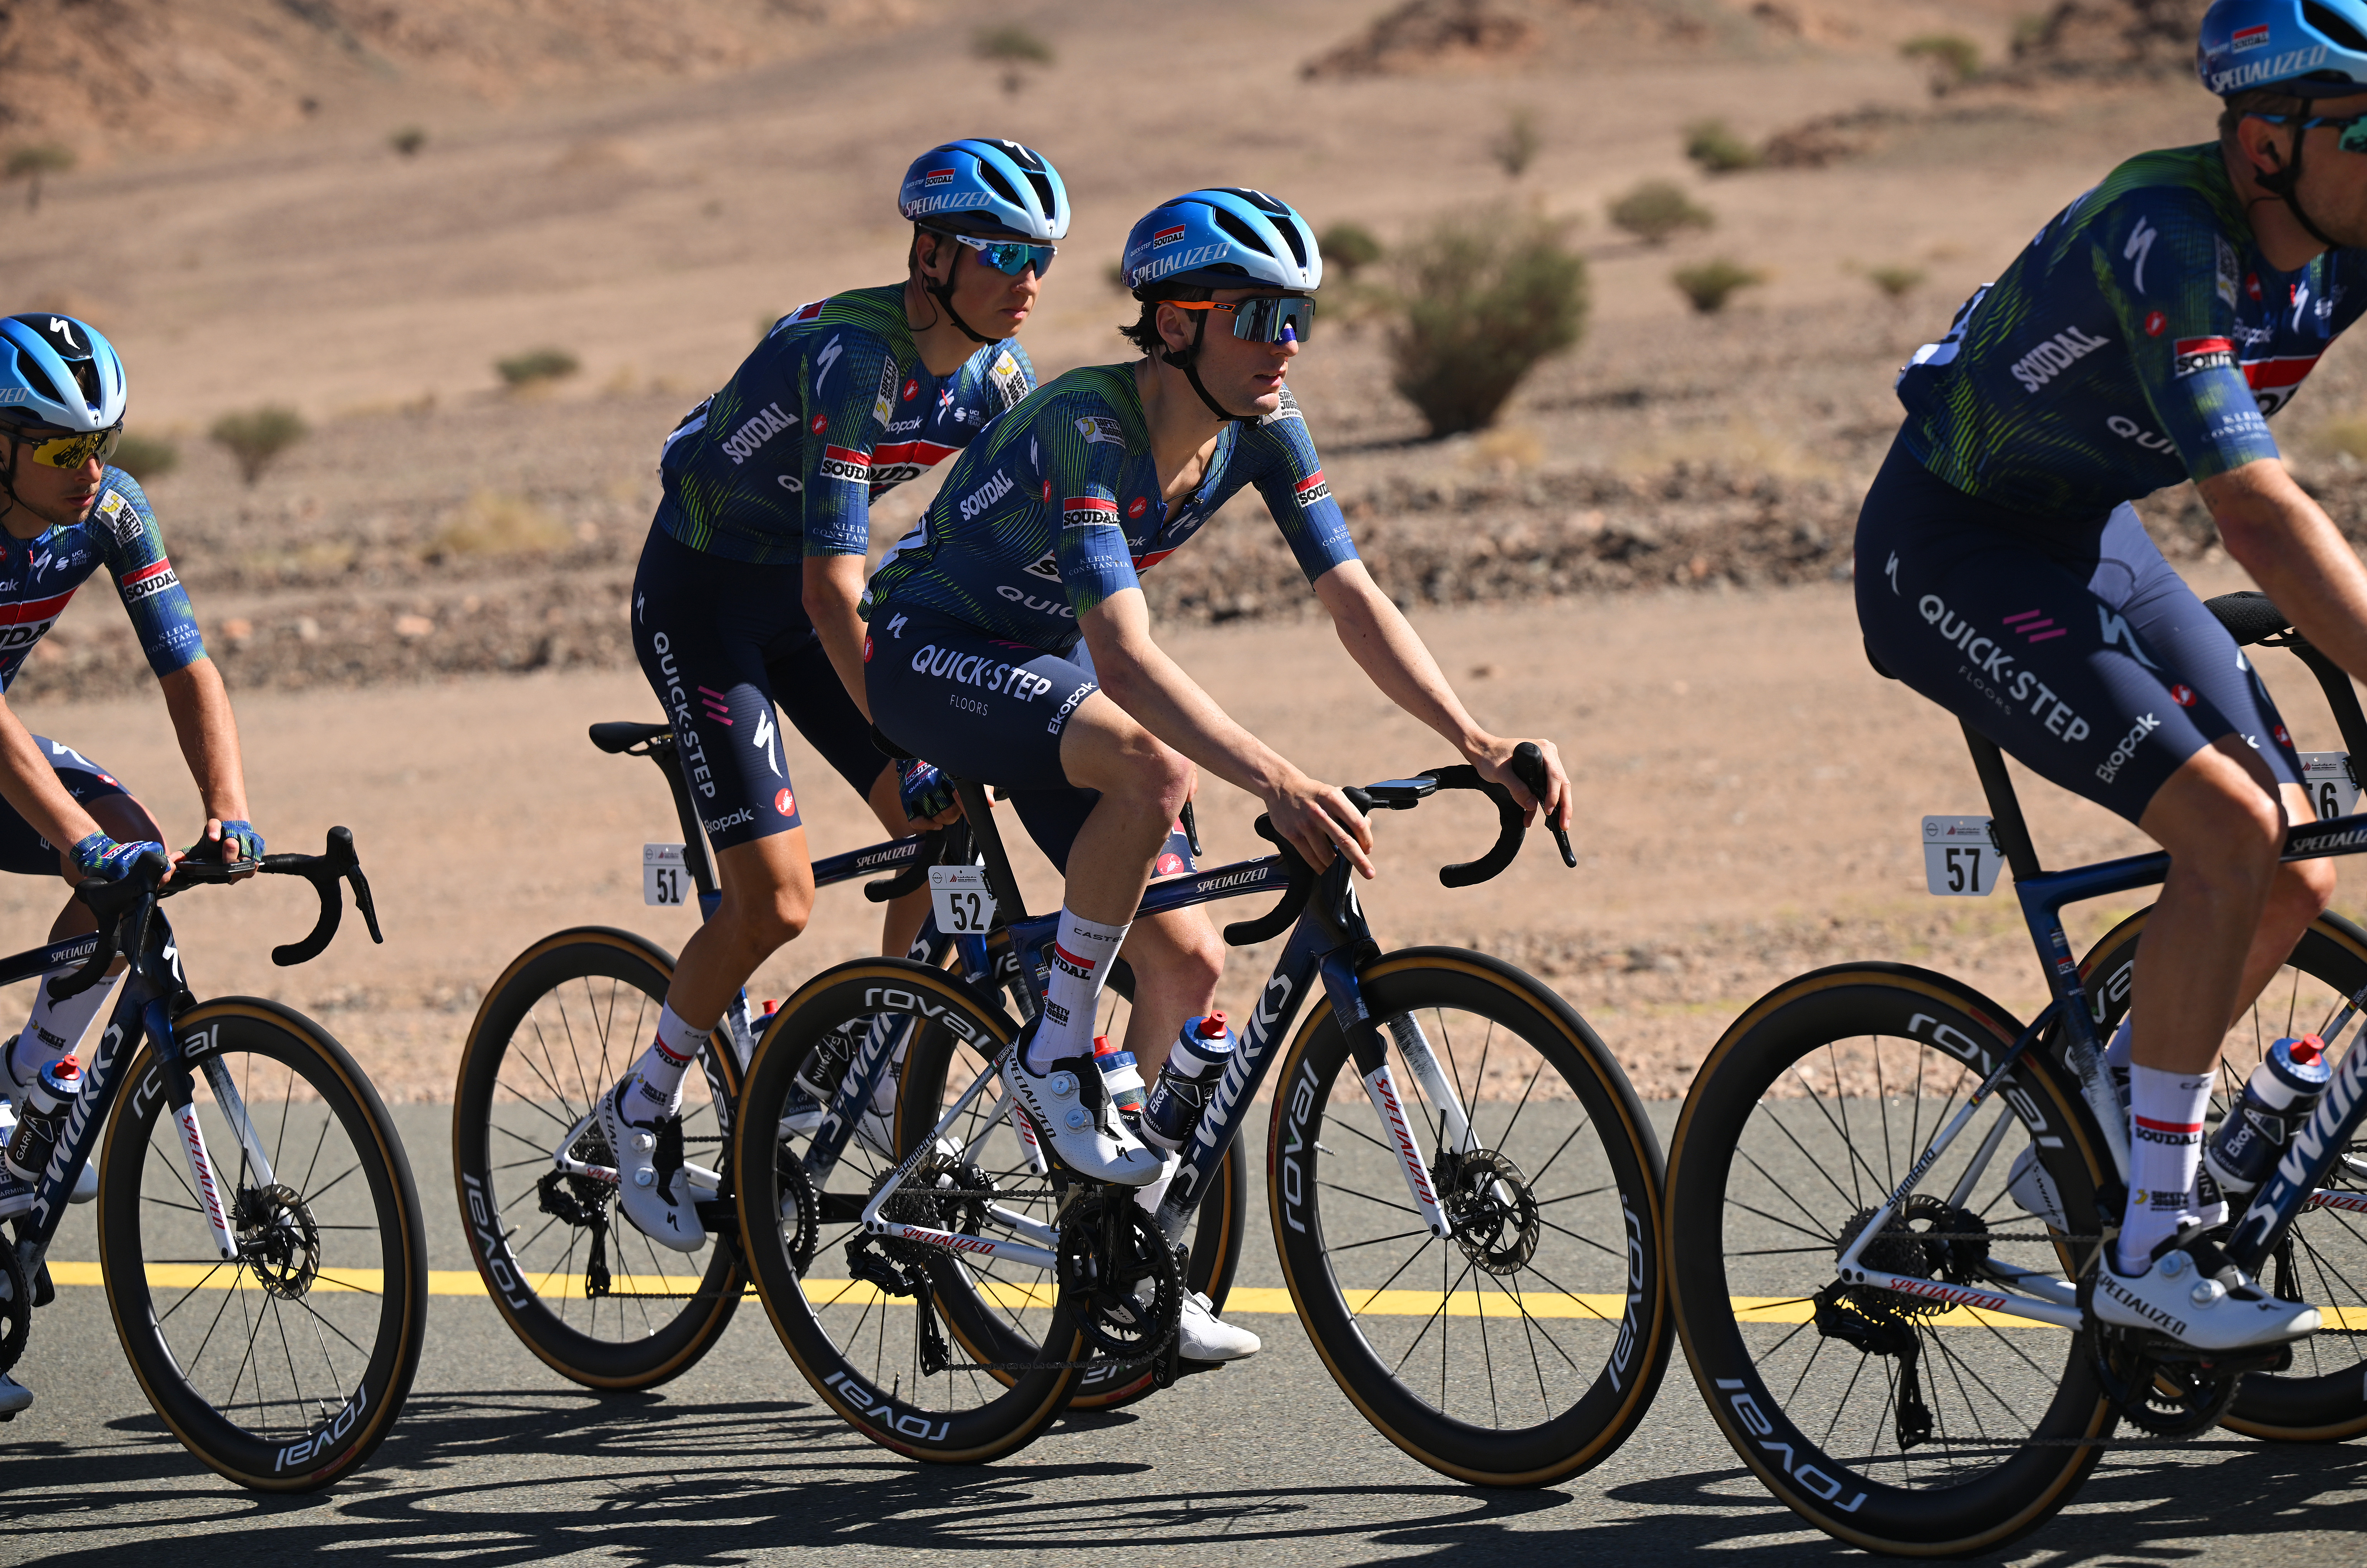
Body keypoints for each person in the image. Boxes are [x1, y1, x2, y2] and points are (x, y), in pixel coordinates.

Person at [862, 188, 1572, 1361]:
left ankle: (1121, 1255)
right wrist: (1281, 781)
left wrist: (1479, 742)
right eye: (1257, 316)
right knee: (1153, 772)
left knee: (1189, 959)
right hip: (929, 648)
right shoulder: (1085, 425)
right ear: (1179, 322)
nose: (1284, 344)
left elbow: (1352, 595)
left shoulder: (1264, 423)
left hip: (1033, 660)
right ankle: (1052, 1054)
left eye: (1299, 316)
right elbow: (1128, 657)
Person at [1852, 0, 2367, 1353]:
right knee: (2228, 827)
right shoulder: (2170, 235)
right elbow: (2256, 513)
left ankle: (2101, 1125)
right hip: (1951, 547)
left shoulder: (2344, 228)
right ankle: (2151, 1244)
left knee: (2298, 854)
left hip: (2094, 535)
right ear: (2266, 139)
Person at [602, 139, 1070, 1254]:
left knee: (940, 831)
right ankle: (641, 1107)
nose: (1029, 278)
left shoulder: (999, 382)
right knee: (775, 900)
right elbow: (831, 589)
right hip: (708, 602)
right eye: (1003, 253)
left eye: (1041, 256)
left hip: (812, 610)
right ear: (932, 253)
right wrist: (921, 729)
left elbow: (985, 552)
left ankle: (843, 1068)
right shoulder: (859, 361)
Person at [0, 312, 263, 1416]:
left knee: (135, 852)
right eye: (62, 448)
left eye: (101, 439)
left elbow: (186, 666)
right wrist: (74, 841)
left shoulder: (109, 505)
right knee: (89, 838)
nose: (89, 467)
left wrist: (230, 810)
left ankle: (31, 1090)